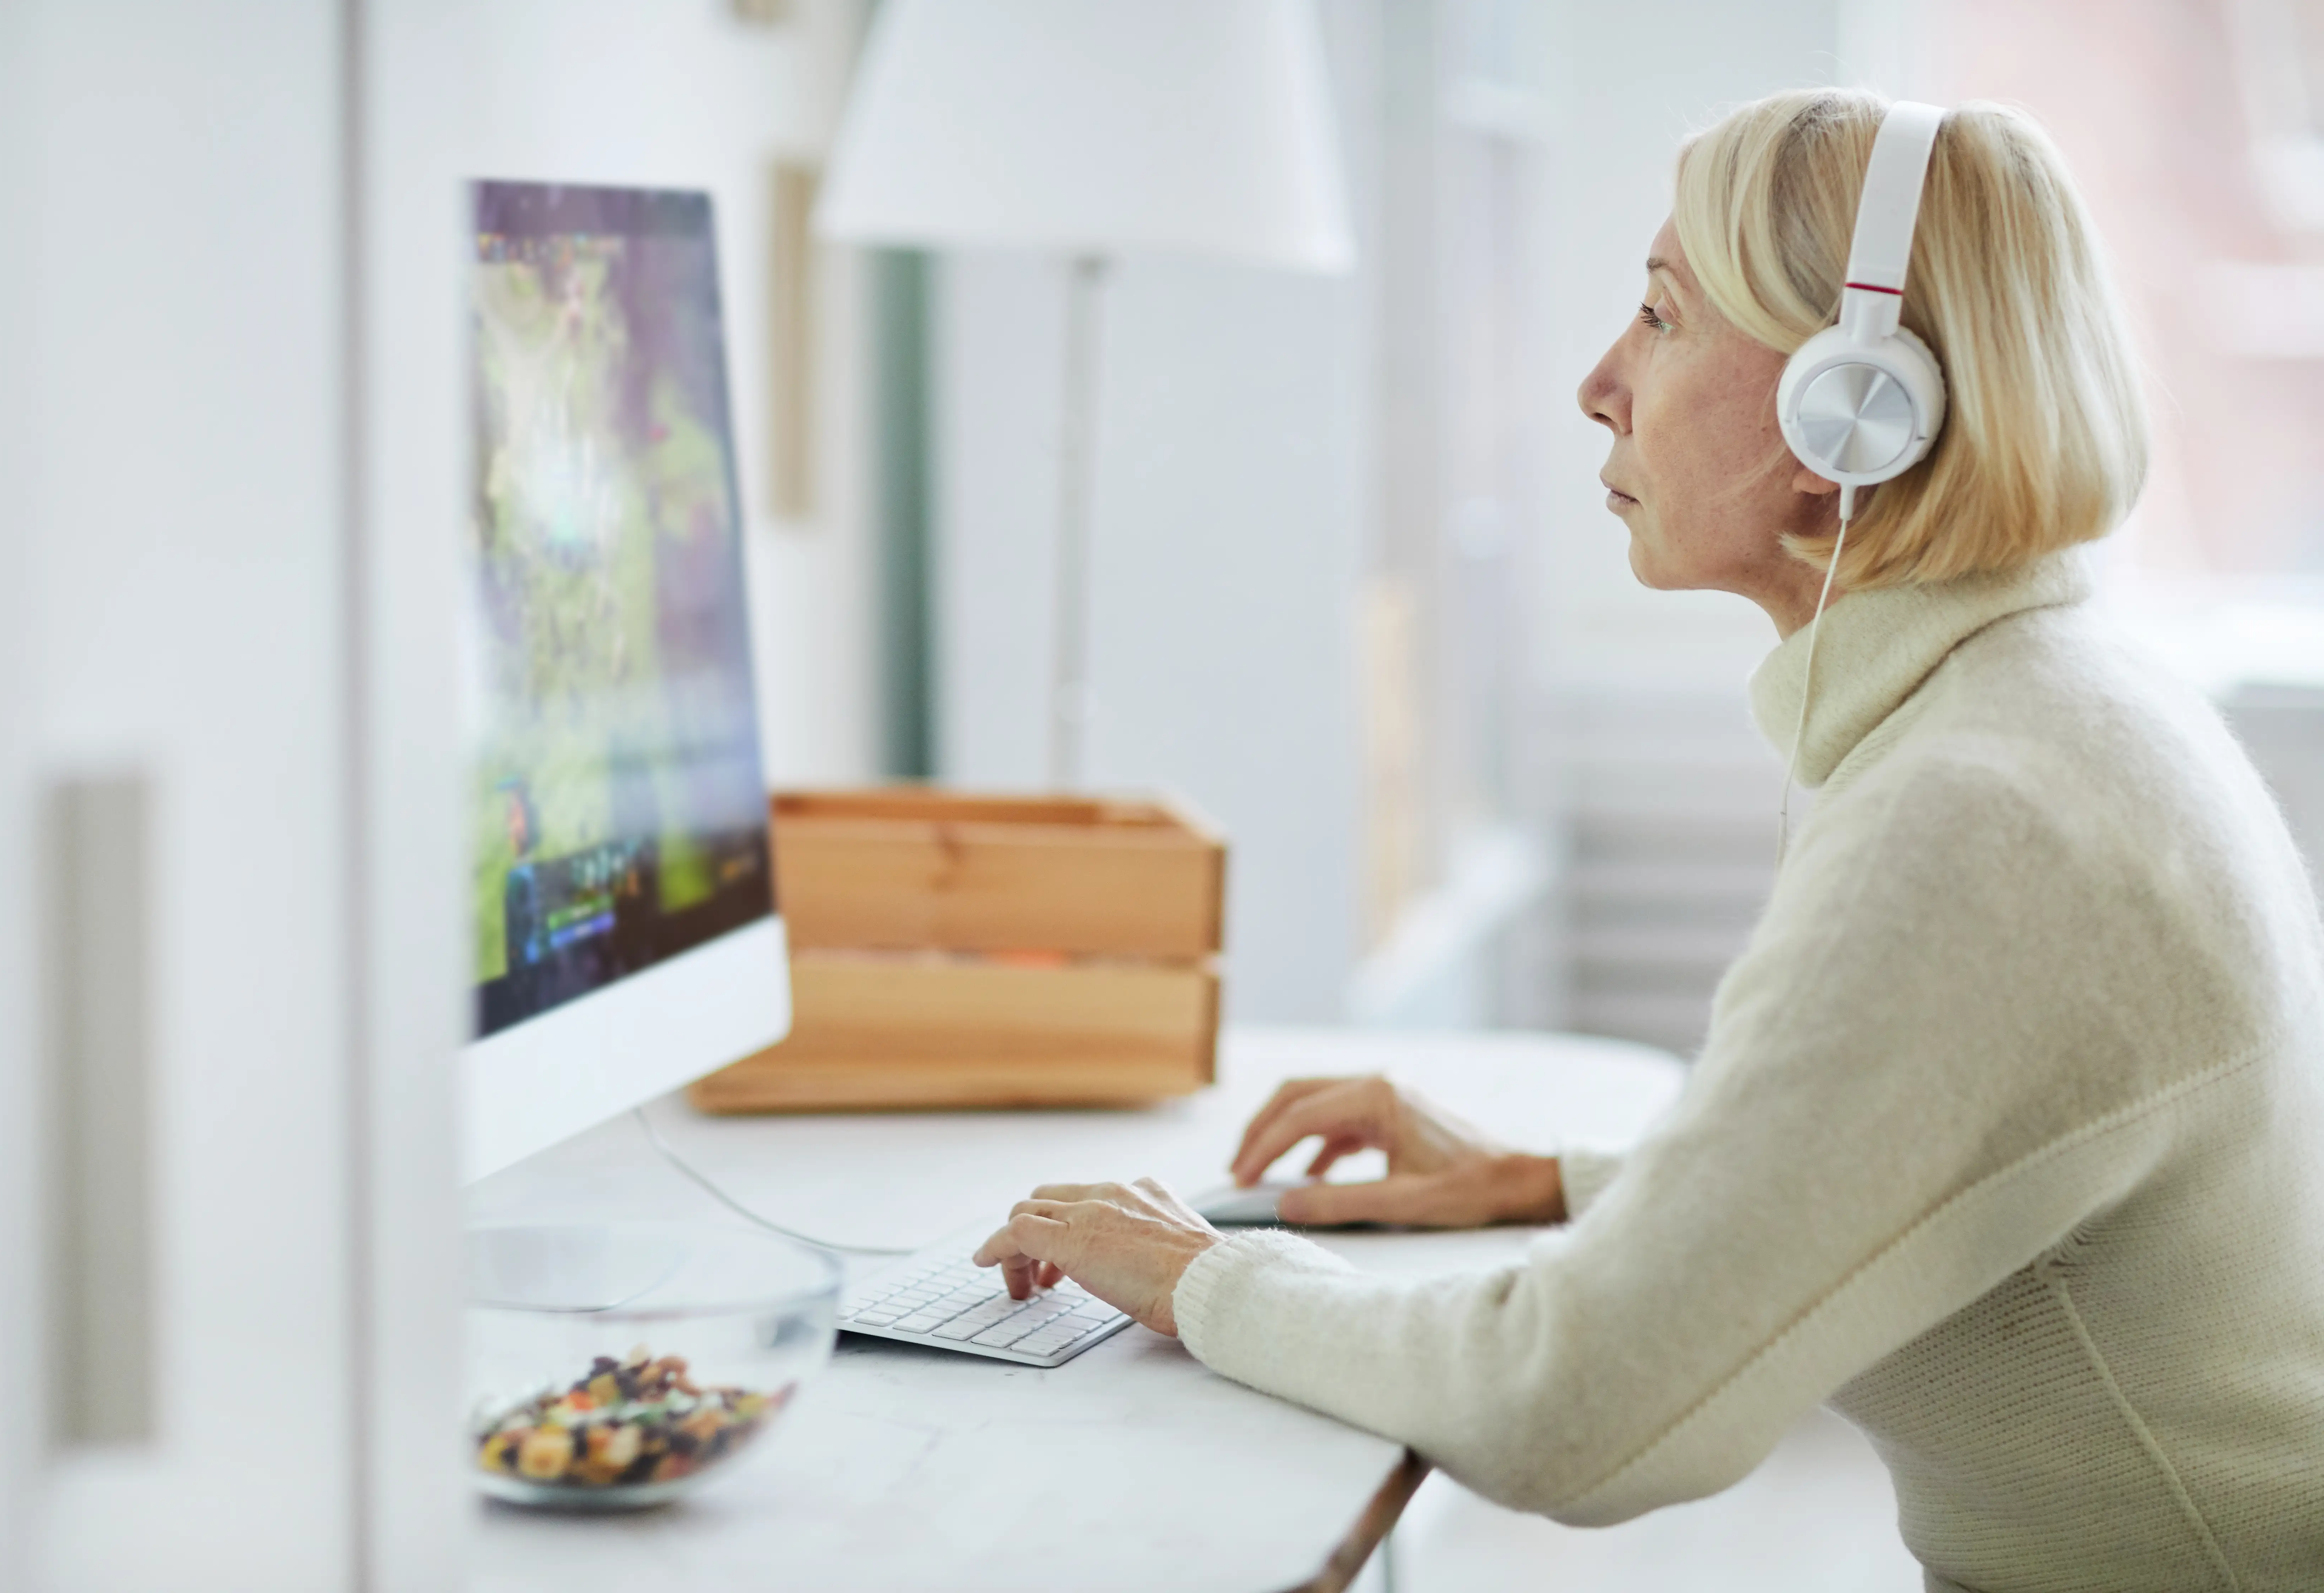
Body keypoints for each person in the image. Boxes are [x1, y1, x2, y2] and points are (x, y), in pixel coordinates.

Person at [973, 88, 2324, 1591]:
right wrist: (1551, 1181)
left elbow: (1574, 1409)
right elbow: (1944, 1150)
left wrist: (1202, 1275)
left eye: (1662, 317)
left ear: (1854, 404)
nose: (1598, 383)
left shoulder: (1979, 817)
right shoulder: (2057, 702)